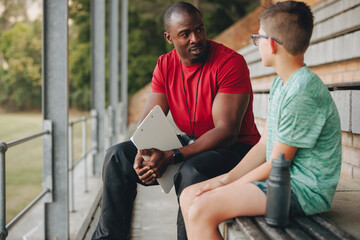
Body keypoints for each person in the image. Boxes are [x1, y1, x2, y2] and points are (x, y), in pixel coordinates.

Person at [92, 2, 260, 240]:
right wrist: (142, 152)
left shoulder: (229, 63)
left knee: (191, 173)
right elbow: (150, 121)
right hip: (192, 143)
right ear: (169, 38)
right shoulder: (165, 64)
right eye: (185, 34)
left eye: (199, 29)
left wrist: (173, 155)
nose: (195, 38)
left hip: (235, 150)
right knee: (117, 157)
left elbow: (226, 131)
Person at [179, 1, 342, 239]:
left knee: (202, 207)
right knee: (189, 195)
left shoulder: (302, 91)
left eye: (259, 37)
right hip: (283, 181)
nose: (258, 44)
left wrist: (226, 187)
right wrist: (224, 180)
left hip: (302, 190)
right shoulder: (281, 83)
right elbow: (264, 145)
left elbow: (277, 163)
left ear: (273, 45)